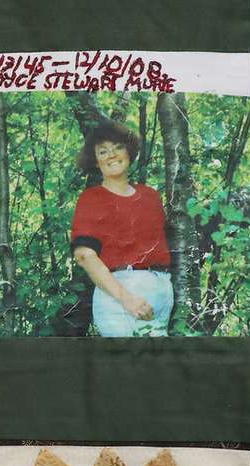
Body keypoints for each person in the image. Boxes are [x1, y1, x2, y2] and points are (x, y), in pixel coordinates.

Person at [69, 120, 173, 336]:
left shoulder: (150, 196)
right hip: (120, 301)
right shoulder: (92, 198)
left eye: (118, 147)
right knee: (125, 368)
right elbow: (84, 256)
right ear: (96, 161)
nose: (112, 155)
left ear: (129, 151)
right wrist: (127, 299)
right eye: (103, 151)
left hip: (162, 296)